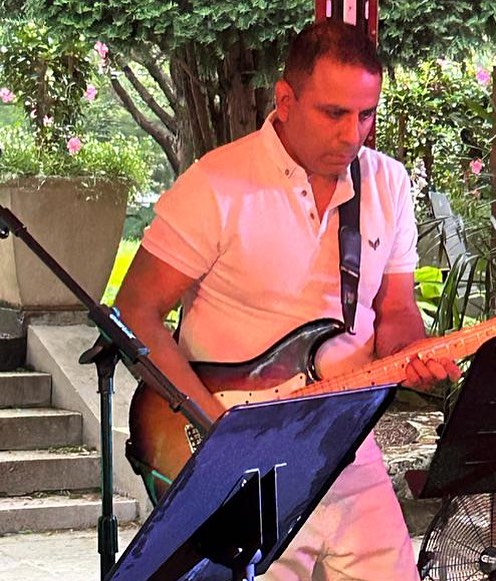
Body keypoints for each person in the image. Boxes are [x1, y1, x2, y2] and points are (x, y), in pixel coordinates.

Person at [115, 18, 461, 581]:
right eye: (334, 113)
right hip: (240, 450)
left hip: (348, 440)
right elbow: (134, 311)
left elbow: (395, 311)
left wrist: (417, 357)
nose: (354, 135)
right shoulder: (216, 184)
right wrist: (212, 429)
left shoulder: (389, 184)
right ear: (285, 99)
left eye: (366, 114)